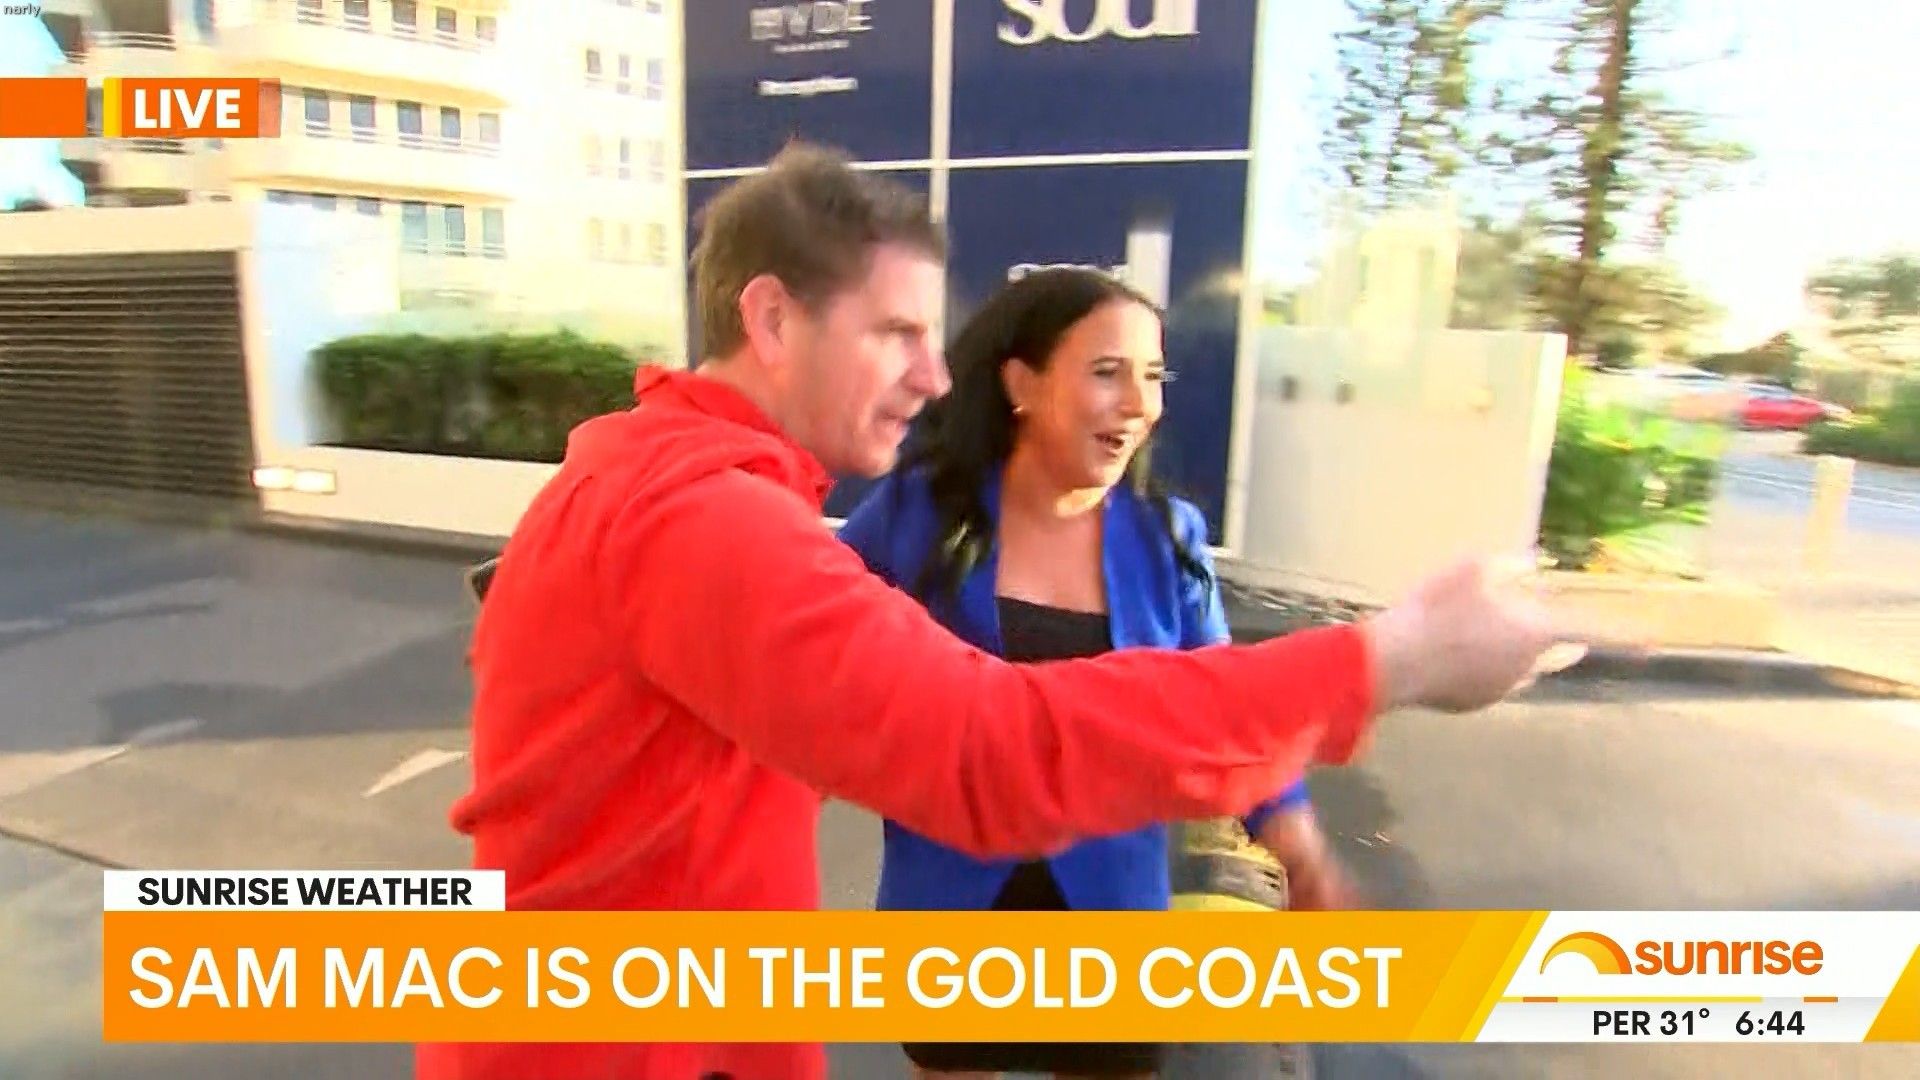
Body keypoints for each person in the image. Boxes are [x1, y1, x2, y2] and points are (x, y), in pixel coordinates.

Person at [416, 142, 1569, 1080]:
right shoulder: (702, 518)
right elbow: (990, 749)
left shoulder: (669, 488)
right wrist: (1393, 658)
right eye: (897, 334)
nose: (932, 376)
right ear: (770, 321)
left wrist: (1295, 840)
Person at [836, 267, 1351, 1079]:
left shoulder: (1168, 538)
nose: (1140, 404)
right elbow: (804, 646)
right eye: (1108, 372)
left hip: (1114, 909)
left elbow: (1229, 707)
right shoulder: (919, 515)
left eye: (1154, 376)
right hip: (953, 904)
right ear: (1022, 384)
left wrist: (1294, 835)